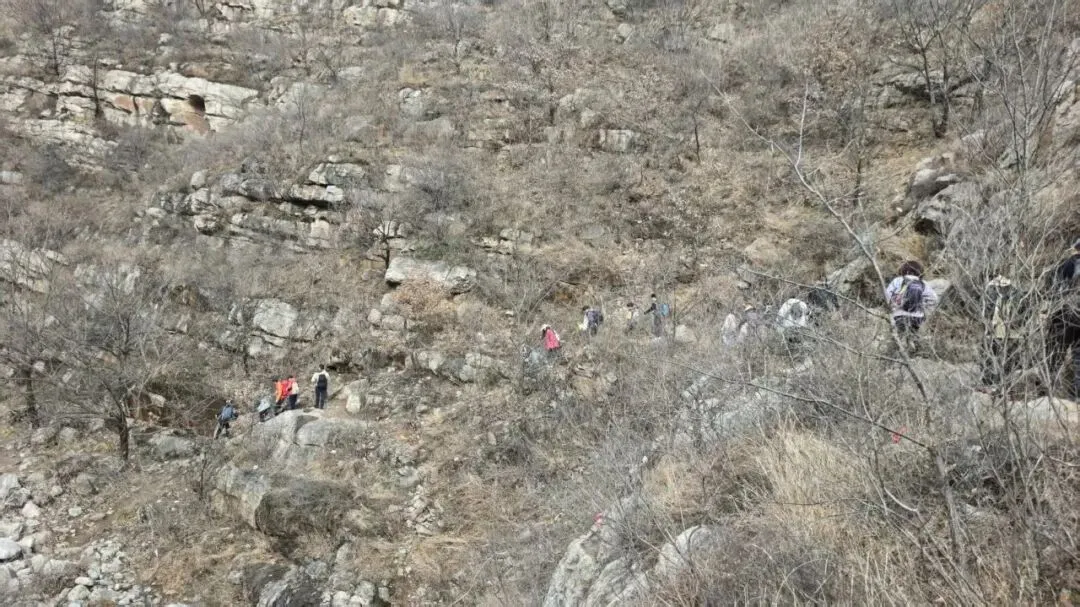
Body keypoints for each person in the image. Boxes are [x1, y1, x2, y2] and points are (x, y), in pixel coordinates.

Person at [1046, 240, 1080, 399]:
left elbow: (1054, 289)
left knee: (1056, 355)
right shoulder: (1068, 264)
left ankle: (1051, 391)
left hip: (1066, 314)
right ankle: (1075, 396)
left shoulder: (1067, 265)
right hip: (1070, 314)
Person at [980, 276, 1026, 393]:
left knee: (1006, 361)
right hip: (998, 333)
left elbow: (1020, 316)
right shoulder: (993, 293)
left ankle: (1003, 387)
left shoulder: (1016, 295)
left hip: (1009, 334)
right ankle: (993, 385)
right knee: (994, 359)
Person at [885, 260, 939, 352]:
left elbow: (887, 296)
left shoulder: (897, 280)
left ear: (904, 270)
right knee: (913, 335)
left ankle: (897, 353)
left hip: (899, 315)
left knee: (898, 337)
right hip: (917, 316)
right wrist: (923, 307)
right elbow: (934, 299)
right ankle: (914, 353)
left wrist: (893, 307)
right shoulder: (923, 283)